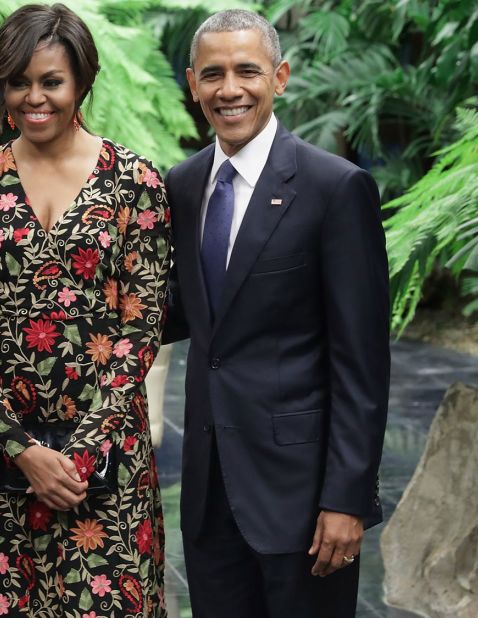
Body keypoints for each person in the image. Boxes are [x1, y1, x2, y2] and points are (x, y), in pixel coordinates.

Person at [0, 4, 171, 616]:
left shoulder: (135, 183)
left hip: (105, 463)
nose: (34, 98)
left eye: (51, 82)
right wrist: (22, 449)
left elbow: (140, 327)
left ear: (82, 83)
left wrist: (77, 457)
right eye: (19, 82)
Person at [163, 9, 390, 618]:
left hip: (304, 500)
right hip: (210, 497)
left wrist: (347, 499)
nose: (229, 89)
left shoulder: (334, 188)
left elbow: (361, 362)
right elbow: (177, 314)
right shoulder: (179, 188)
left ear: (280, 77)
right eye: (213, 74)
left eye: (247, 71)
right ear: (192, 83)